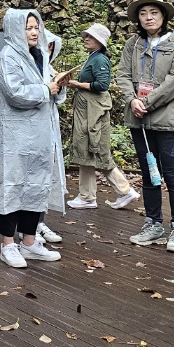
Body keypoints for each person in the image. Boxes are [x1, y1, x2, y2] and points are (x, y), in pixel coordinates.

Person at [115, 0, 174, 254]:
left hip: (170, 119)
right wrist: (131, 100)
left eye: (154, 12)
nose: (148, 17)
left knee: (172, 175)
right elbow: (123, 74)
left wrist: (146, 102)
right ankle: (153, 224)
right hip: (140, 120)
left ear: (164, 16)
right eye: (143, 13)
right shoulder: (133, 44)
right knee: (149, 173)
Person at [0, 9, 67, 267]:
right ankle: (8, 244)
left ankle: (30, 242)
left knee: (36, 185)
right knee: (13, 185)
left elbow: (52, 88)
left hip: (41, 133)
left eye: (36, 27)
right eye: (27, 27)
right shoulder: (7, 57)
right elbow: (15, 93)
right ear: (14, 29)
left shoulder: (41, 55)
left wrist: (58, 83)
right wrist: (47, 89)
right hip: (16, 134)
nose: (34, 32)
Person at [67, 23, 139, 210]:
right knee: (87, 151)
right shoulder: (93, 57)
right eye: (85, 36)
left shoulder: (100, 60)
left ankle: (123, 190)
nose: (85, 39)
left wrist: (77, 84)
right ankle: (88, 196)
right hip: (87, 110)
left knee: (96, 150)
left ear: (100, 41)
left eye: (90, 37)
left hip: (94, 112)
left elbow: (102, 85)